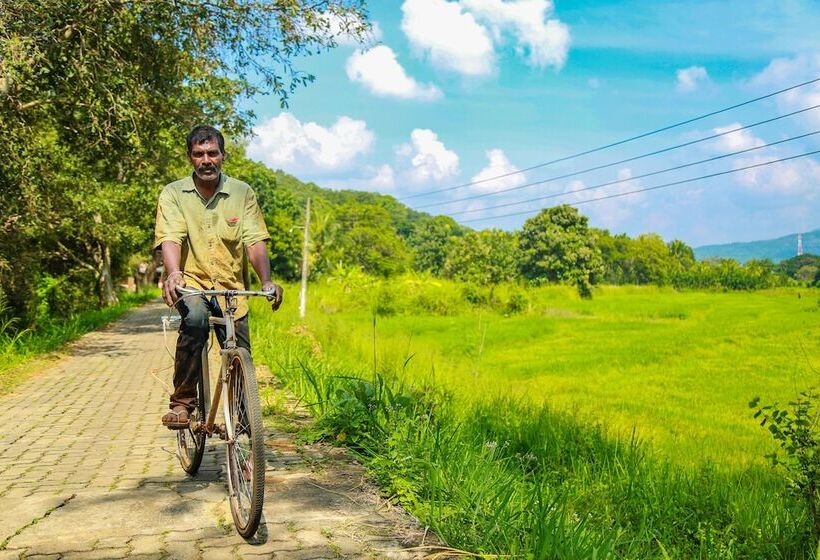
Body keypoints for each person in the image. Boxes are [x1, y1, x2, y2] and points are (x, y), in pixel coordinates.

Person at [153, 125, 283, 429]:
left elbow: (254, 241)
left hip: (231, 289)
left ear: (222, 155)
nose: (206, 160)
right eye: (199, 154)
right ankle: (183, 403)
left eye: (212, 153)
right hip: (192, 283)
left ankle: (241, 421)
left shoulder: (242, 192)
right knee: (195, 320)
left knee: (239, 349)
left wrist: (266, 281)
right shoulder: (174, 193)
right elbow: (170, 237)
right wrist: (173, 274)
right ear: (190, 158)